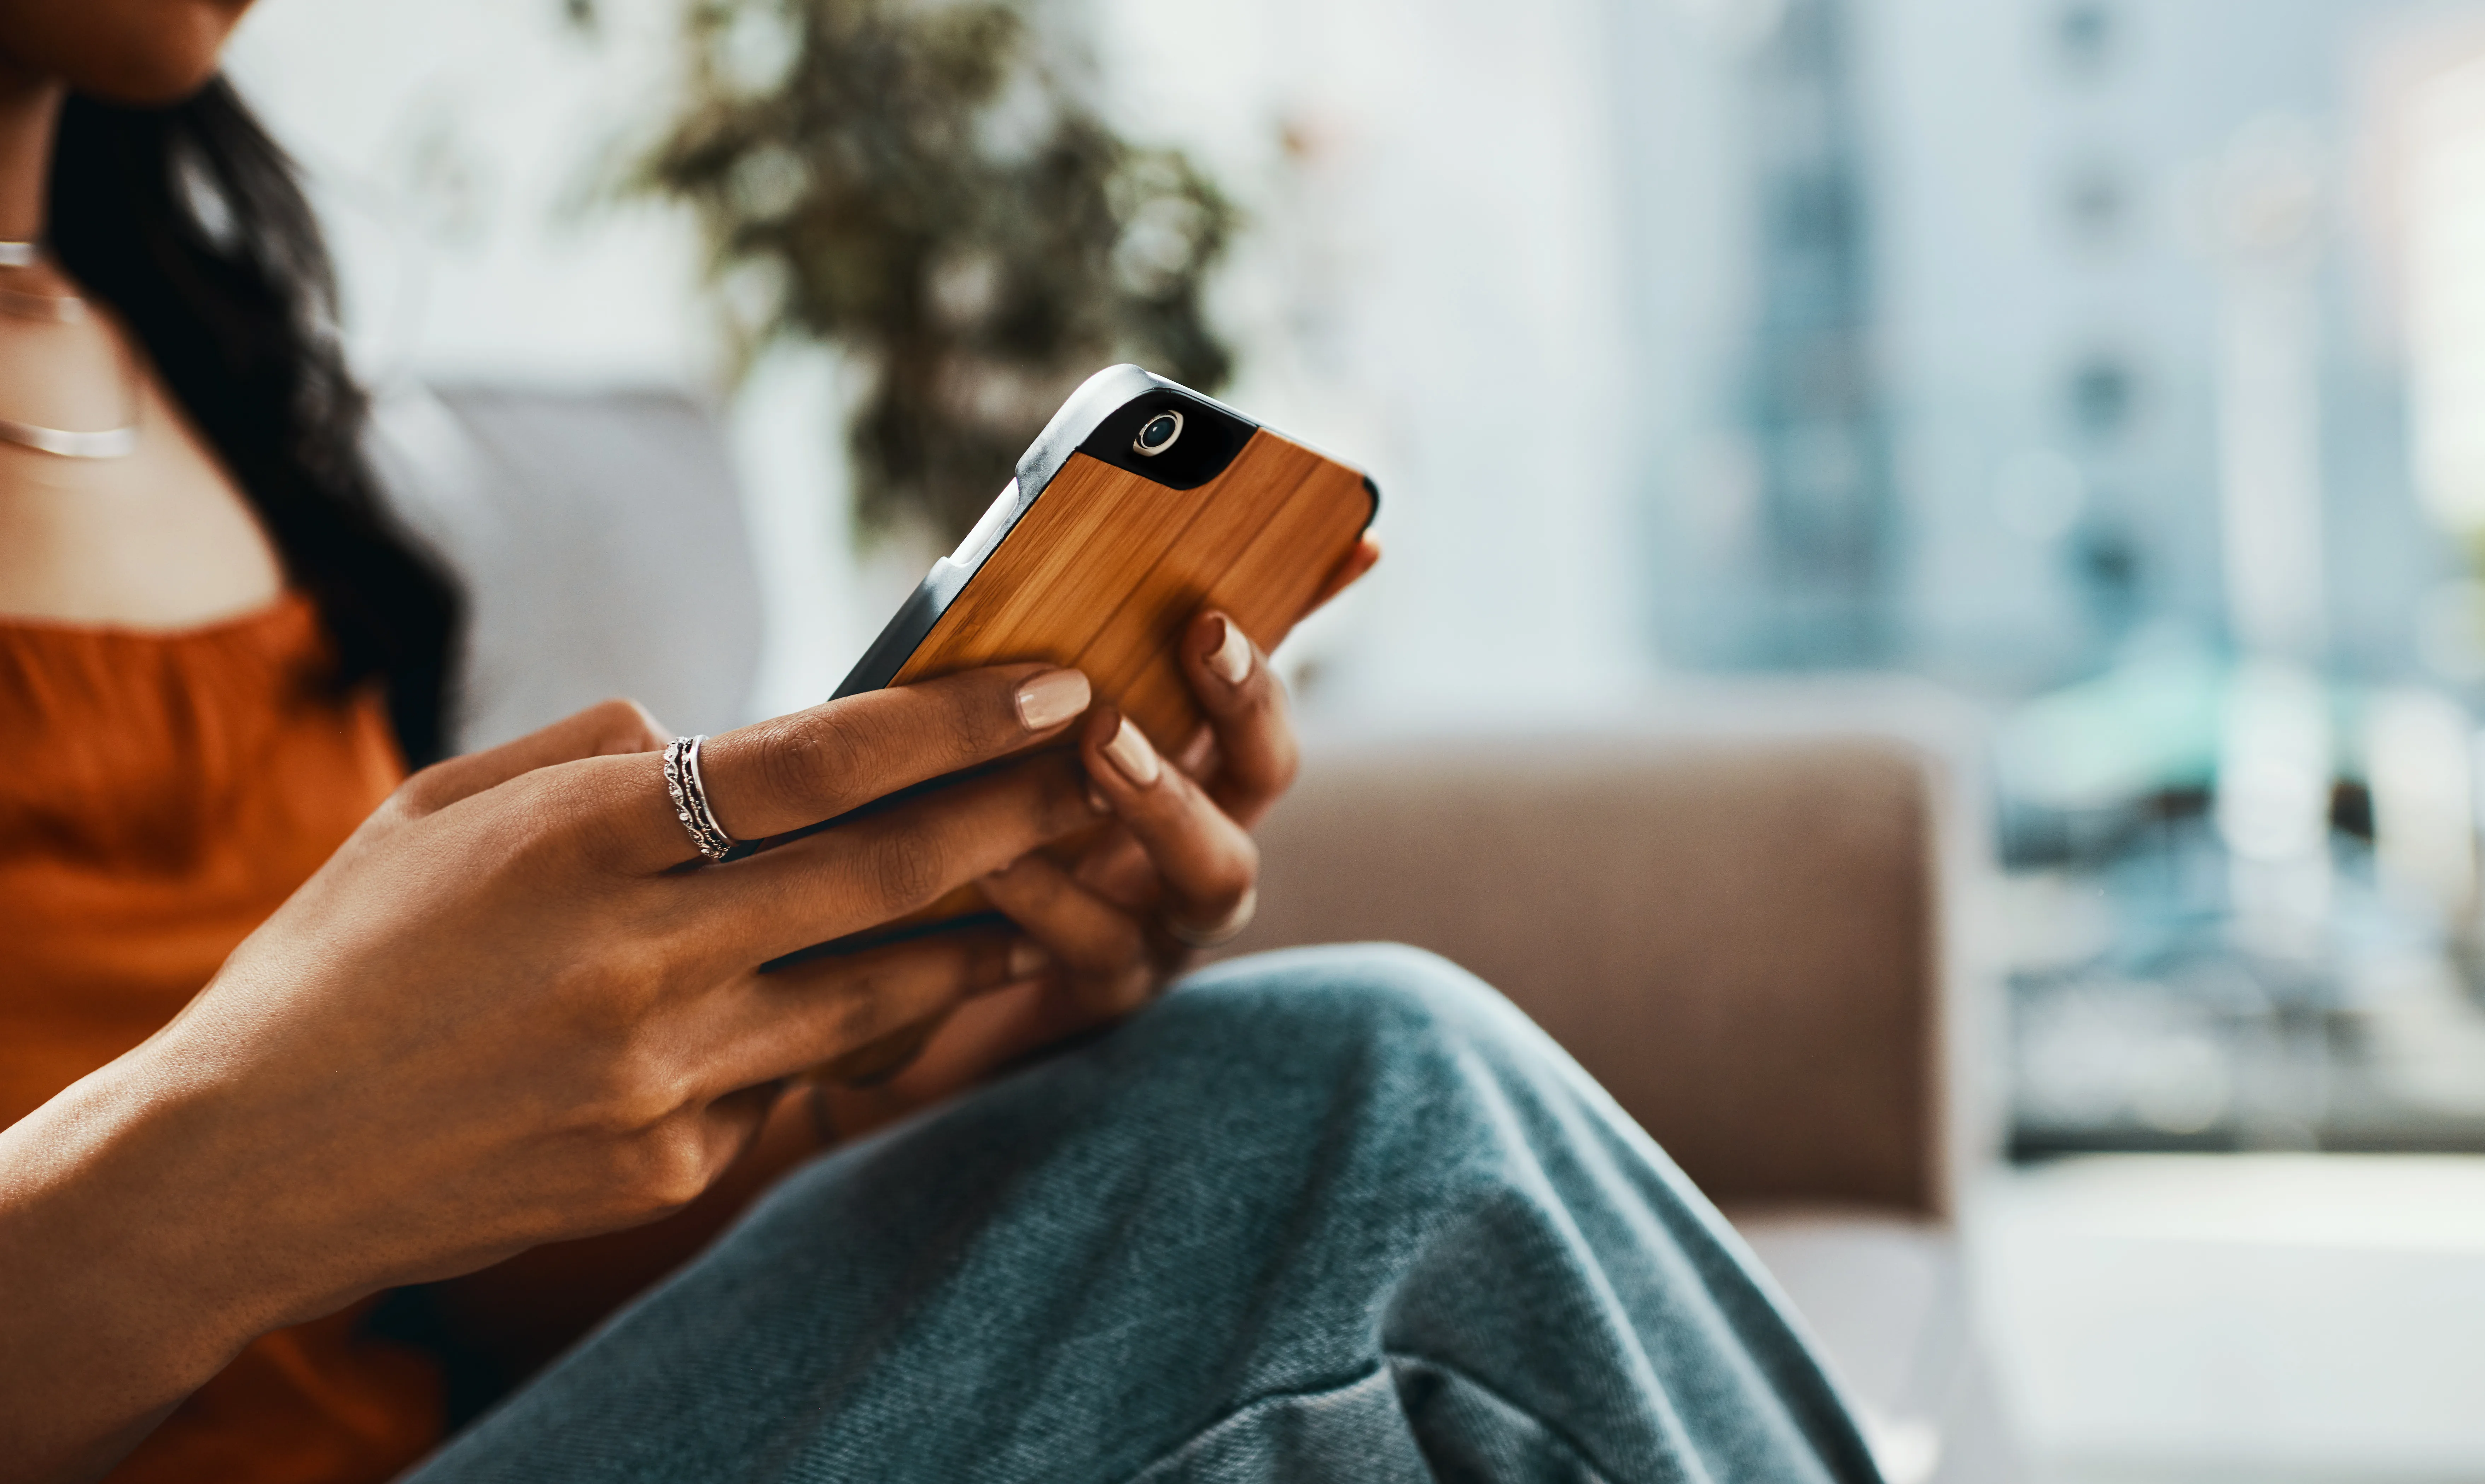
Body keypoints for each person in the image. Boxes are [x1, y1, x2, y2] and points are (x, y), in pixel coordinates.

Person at [0, 6, 1884, 1484]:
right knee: (1374, 1115)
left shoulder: (185, 355)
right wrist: (229, 1157)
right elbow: (266, 1193)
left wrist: (887, 1070)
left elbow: (417, 1298)